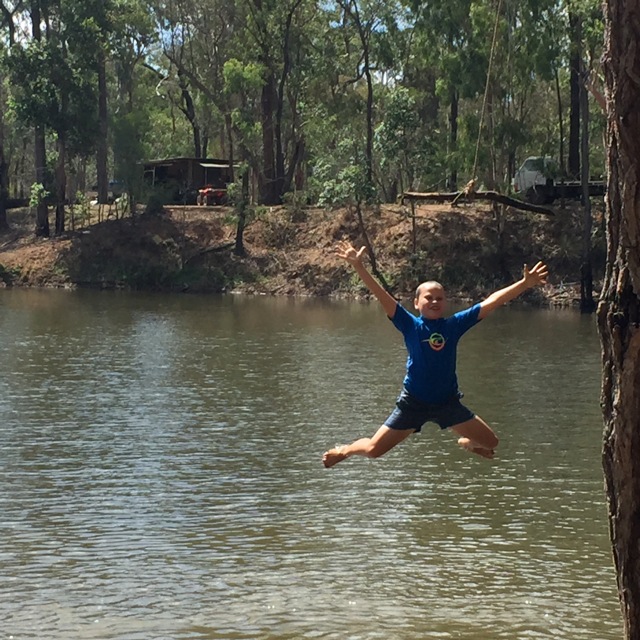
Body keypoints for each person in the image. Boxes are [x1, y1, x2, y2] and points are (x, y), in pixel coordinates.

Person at [322, 240, 549, 468]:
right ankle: (346, 450)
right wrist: (359, 266)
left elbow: (492, 302)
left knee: (491, 443)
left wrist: (524, 284)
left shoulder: (454, 325)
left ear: (445, 303)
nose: (434, 301)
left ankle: (467, 443)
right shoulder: (409, 324)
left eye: (439, 298)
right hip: (414, 402)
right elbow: (381, 294)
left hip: (446, 403)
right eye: (428, 297)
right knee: (373, 450)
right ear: (416, 303)